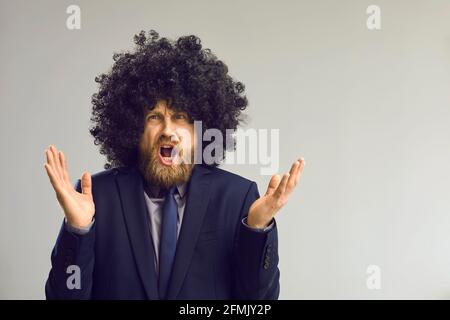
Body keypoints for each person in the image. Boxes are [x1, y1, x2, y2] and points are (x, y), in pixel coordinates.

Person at [44, 30, 305, 300]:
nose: (168, 131)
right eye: (154, 116)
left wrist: (257, 228)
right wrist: (78, 230)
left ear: (201, 127)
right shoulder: (98, 196)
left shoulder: (237, 198)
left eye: (180, 116)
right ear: (133, 127)